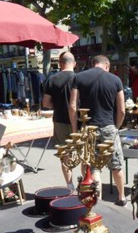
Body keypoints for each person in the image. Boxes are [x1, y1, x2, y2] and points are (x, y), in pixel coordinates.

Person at [69, 55, 127, 206]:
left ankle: (97, 202)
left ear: (92, 64)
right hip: (108, 126)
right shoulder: (116, 80)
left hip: (88, 128)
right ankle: (121, 198)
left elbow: (73, 106)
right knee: (116, 164)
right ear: (107, 65)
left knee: (92, 166)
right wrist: (116, 127)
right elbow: (121, 110)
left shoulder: (78, 78)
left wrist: (75, 129)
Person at [42, 51, 77, 189]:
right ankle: (84, 185)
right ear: (74, 63)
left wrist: (56, 105)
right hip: (78, 121)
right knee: (83, 153)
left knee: (65, 155)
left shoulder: (52, 79)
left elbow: (45, 103)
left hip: (59, 121)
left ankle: (70, 185)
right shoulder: (79, 78)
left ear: (60, 63)